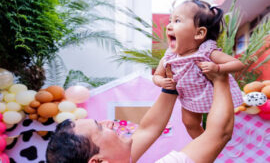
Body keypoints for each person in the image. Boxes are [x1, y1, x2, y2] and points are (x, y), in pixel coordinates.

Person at [46, 64, 235, 163]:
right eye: (100, 129)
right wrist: (220, 78)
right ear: (96, 161)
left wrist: (170, 84)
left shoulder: (115, 158)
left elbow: (149, 128)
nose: (108, 122)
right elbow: (219, 133)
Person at [153, 0, 244, 139]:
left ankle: (215, 144)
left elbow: (237, 64)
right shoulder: (169, 57)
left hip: (214, 96)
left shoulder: (206, 52)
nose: (169, 26)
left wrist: (218, 67)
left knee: (218, 126)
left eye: (177, 21)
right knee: (189, 122)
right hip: (190, 97)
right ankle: (203, 147)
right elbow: (157, 75)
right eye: (170, 21)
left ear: (199, 33)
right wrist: (161, 82)